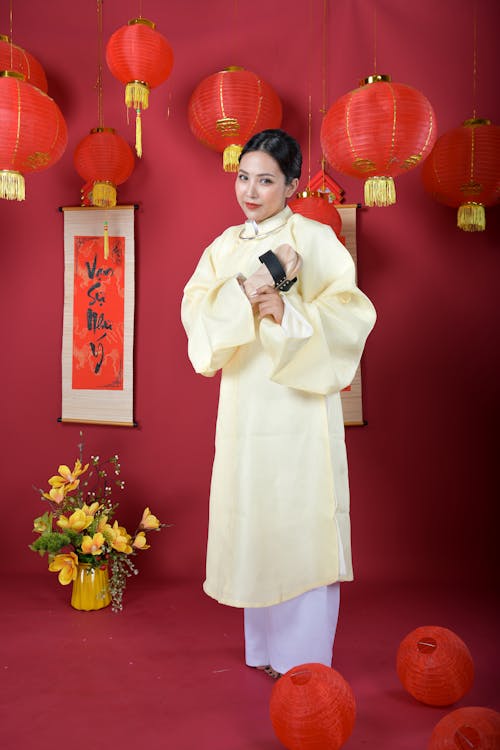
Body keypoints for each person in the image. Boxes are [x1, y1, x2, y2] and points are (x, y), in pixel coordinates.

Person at [181, 129, 376, 679]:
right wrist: (249, 291)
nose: (251, 190)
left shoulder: (314, 239)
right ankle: (265, 649)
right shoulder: (225, 246)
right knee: (255, 515)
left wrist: (283, 313)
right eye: (244, 177)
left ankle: (305, 660)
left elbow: (350, 314)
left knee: (301, 518)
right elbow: (196, 313)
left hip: (298, 410)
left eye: (266, 180)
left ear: (291, 185)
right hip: (245, 404)